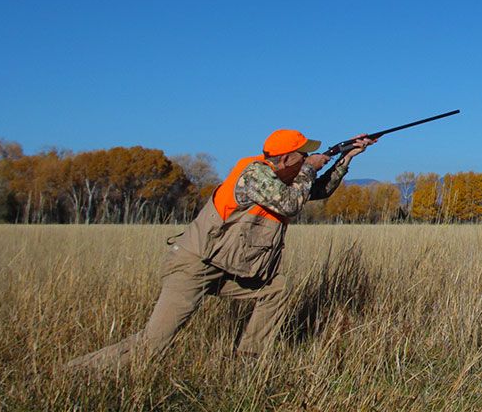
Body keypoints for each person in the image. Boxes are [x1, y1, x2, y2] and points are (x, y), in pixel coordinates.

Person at [65, 127, 376, 371]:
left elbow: (315, 192)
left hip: (229, 267)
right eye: (302, 155)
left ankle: (248, 361)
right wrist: (310, 167)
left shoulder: (284, 178)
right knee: (153, 344)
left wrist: (346, 157)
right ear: (284, 160)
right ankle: (75, 371)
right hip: (193, 266)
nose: (310, 157)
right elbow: (292, 202)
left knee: (275, 290)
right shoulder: (254, 174)